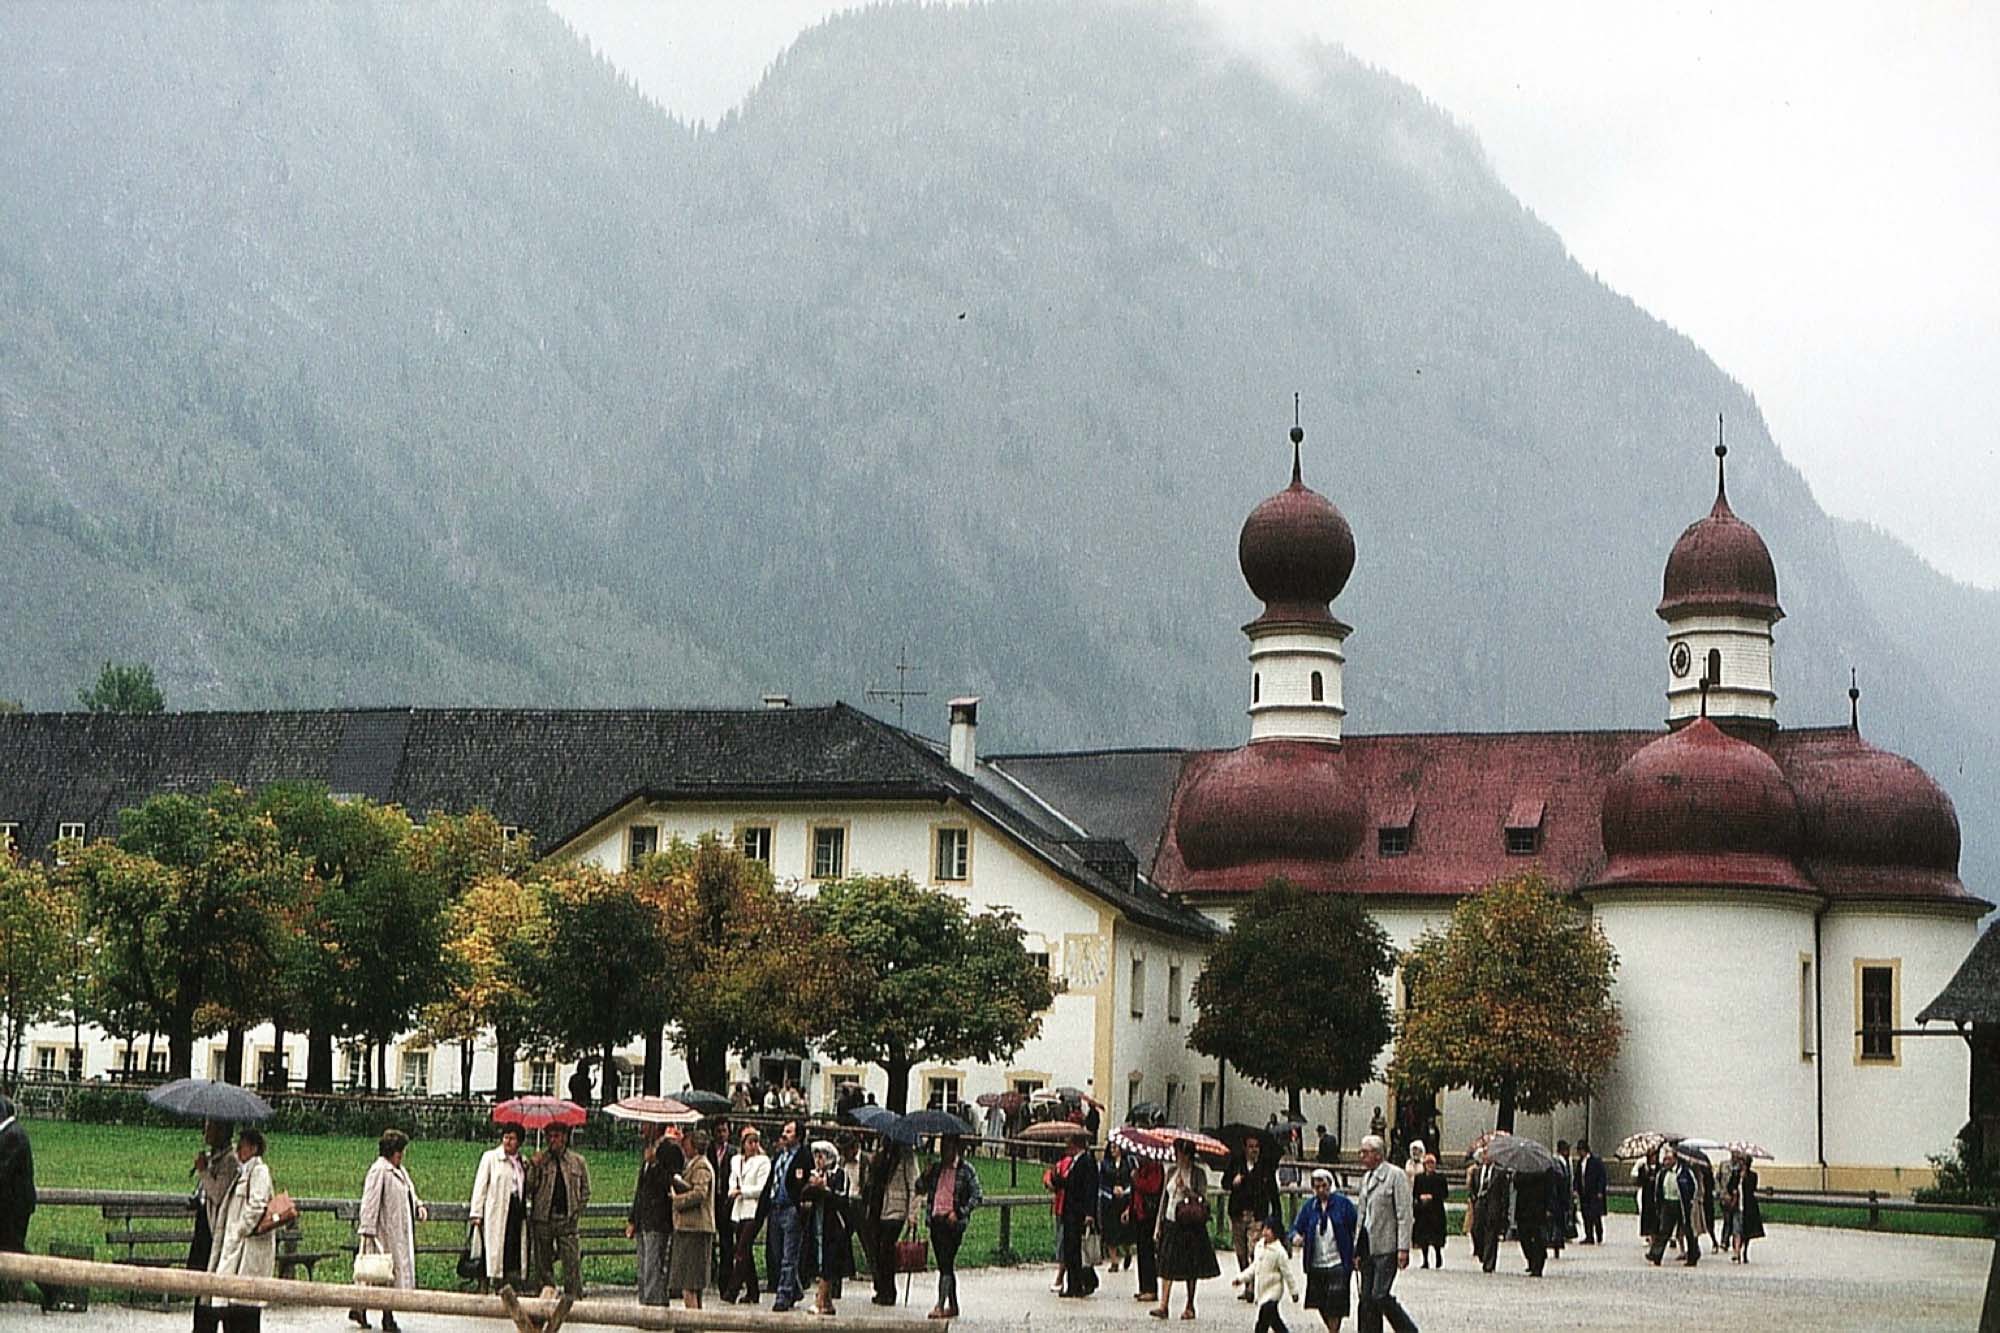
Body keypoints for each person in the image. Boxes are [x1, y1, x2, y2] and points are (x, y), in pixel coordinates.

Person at [351, 1128, 427, 1332]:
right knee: (378, 1275)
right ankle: (384, 1315)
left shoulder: (399, 1170)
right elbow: (370, 1201)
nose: (401, 1156)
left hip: (397, 1232)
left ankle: (363, 1308)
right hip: (381, 1233)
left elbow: (410, 1190)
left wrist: (419, 1206)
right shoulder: (379, 1170)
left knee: (386, 1276)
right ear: (390, 1151)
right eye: (399, 1151)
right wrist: (367, 1229)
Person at [210, 1127, 276, 1333]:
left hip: (247, 1251)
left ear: (254, 1148)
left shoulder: (259, 1172)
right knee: (230, 1307)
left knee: (245, 1309)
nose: (239, 1148)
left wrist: (240, 1230)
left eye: (243, 1145)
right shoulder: (242, 1171)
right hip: (236, 1251)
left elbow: (257, 1205)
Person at [1353, 1135, 1417, 1333]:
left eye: (1365, 1152)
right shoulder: (1366, 1178)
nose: (1361, 1156)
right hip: (1367, 1246)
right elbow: (1362, 1215)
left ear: (1378, 1155)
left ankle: (1407, 1329)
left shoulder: (1395, 1176)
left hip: (1387, 1245)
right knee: (1366, 1299)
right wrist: (1356, 1247)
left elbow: (1404, 1214)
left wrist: (1403, 1248)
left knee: (1380, 1294)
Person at [1151, 1136, 1218, 1320]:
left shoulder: (1198, 1174)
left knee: (1190, 1266)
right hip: (1171, 1220)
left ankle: (1189, 1304)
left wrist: (1187, 1190)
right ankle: (1164, 1304)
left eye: (1180, 1152)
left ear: (1188, 1154)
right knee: (1166, 1264)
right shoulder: (1171, 1171)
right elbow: (1164, 1200)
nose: (1178, 1156)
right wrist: (1158, 1224)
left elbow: (1203, 1198)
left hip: (1190, 1224)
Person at [916, 1133, 982, 1320]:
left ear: (956, 1148)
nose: (944, 1151)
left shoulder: (966, 1170)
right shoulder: (936, 1169)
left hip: (952, 1223)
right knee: (945, 1265)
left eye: (948, 1147)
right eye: (942, 1146)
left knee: (946, 1263)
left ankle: (940, 1304)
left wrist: (960, 1212)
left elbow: (977, 1196)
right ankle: (953, 1304)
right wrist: (925, 1174)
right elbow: (919, 1188)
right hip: (936, 1220)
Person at [526, 1122, 591, 1297]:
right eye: (549, 1136)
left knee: (571, 1262)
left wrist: (576, 1211)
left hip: (567, 1219)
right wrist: (533, 1167)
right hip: (543, 1218)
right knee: (543, 1262)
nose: (552, 1140)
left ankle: (574, 1298)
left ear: (564, 1137)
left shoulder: (577, 1162)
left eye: (556, 1136)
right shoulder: (541, 1161)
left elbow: (585, 1190)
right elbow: (528, 1189)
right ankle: (546, 1295)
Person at [1288, 1168, 1356, 1333]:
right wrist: (1296, 1236)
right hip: (1317, 1261)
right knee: (1320, 1302)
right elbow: (1295, 1228)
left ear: (1330, 1185)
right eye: (1316, 1187)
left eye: (1323, 1186)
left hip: (1338, 1260)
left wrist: (1356, 1253)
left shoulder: (1343, 1204)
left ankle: (1334, 1331)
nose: (1320, 1190)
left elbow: (1356, 1227)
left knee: (1335, 1303)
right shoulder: (1309, 1207)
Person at [468, 1123, 527, 1295]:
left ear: (519, 1142)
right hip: (496, 1210)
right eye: (506, 1137)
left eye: (512, 1138)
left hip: (514, 1209)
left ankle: (508, 1285)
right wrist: (476, 1212)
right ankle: (487, 1283)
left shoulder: (521, 1162)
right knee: (491, 1249)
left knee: (511, 1248)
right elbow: (480, 1185)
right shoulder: (491, 1158)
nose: (508, 1141)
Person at [189, 1117, 237, 1328]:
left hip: (214, 1231)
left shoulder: (229, 1161)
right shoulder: (213, 1158)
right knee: (199, 1286)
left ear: (222, 1131)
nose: (205, 1132)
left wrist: (203, 1170)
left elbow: (217, 1193)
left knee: (211, 1286)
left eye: (210, 1127)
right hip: (202, 1228)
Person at [626, 1123, 678, 1306]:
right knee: (643, 1267)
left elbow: (671, 1183)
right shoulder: (647, 1150)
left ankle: (655, 1306)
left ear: (655, 1126)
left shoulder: (669, 1150)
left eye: (646, 1125)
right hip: (643, 1219)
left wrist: (655, 1164)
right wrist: (633, 1219)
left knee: (654, 1267)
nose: (642, 1128)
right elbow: (640, 1190)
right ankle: (645, 1303)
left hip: (659, 1219)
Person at [799, 1140, 852, 1315]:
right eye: (816, 1156)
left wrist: (825, 1189)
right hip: (816, 1223)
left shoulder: (840, 1175)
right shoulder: (814, 1175)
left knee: (828, 1262)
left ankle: (820, 1299)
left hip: (834, 1225)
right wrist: (813, 1186)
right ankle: (827, 1303)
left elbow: (841, 1200)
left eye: (821, 1156)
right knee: (819, 1259)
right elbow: (804, 1194)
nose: (818, 1160)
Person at [866, 1136, 918, 1306]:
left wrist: (912, 1214)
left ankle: (890, 1291)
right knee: (877, 1249)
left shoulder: (906, 1155)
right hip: (879, 1208)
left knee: (886, 1249)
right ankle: (882, 1288)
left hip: (897, 1208)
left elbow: (914, 1185)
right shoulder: (882, 1156)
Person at [1227, 1135, 1280, 1301]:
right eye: (1250, 1146)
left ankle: (1253, 1286)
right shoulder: (1236, 1164)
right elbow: (1224, 1182)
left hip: (1257, 1214)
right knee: (1241, 1251)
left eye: (1256, 1146)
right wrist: (1233, 1182)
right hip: (1237, 1213)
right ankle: (1246, 1282)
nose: (1254, 1150)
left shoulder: (1265, 1168)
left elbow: (1273, 1192)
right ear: (1245, 1148)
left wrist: (1276, 1215)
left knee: (1253, 1250)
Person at [722, 1126, 770, 1303]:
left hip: (753, 1209)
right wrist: (733, 1191)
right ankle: (753, 1290)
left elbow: (761, 1188)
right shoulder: (736, 1160)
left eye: (756, 1142)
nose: (753, 1146)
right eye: (750, 1142)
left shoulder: (763, 1162)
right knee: (745, 1250)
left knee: (742, 1249)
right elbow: (732, 1179)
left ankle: (732, 1290)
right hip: (738, 1209)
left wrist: (743, 1191)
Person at [670, 1128, 716, 1307]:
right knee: (689, 1283)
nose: (684, 1147)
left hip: (695, 1228)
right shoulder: (691, 1165)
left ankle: (692, 1321)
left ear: (695, 1147)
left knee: (690, 1283)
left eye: (687, 1143)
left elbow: (699, 1193)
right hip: (688, 1227)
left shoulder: (701, 1166)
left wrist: (677, 1200)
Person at [1231, 1216, 1301, 1333]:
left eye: (1269, 1229)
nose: (1266, 1232)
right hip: (1262, 1290)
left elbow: (1287, 1274)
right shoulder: (1259, 1247)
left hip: (1273, 1291)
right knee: (1275, 1321)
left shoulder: (1279, 1252)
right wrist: (1241, 1278)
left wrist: (1293, 1291)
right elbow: (1254, 1267)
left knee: (1263, 1320)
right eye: (1264, 1229)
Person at [767, 1120, 808, 1311]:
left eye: (789, 1131)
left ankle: (783, 1295)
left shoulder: (803, 1156)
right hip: (775, 1207)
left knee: (788, 1256)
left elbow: (804, 1182)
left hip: (791, 1208)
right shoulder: (779, 1156)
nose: (785, 1134)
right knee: (777, 1253)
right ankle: (795, 1289)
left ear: (798, 1136)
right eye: (784, 1130)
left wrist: (801, 1205)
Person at [1058, 1131, 1099, 1298]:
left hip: (1078, 1213)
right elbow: (1070, 1184)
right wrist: (1057, 1180)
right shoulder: (1075, 1162)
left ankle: (1078, 1284)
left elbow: (1090, 1188)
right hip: (1070, 1212)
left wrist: (1090, 1213)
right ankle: (1075, 1283)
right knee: (1071, 1250)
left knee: (1077, 1250)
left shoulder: (1087, 1162)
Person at [1129, 1142, 1164, 1304]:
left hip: (1149, 1214)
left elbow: (1152, 1187)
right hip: (1139, 1213)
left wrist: (1137, 1180)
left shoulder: (1155, 1167)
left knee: (1148, 1252)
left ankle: (1151, 1288)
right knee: (1141, 1252)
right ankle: (1143, 1286)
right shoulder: (1141, 1168)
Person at [1099, 1140, 1135, 1272]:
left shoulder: (1128, 1163)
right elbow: (1102, 1182)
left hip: (1125, 1200)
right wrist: (1111, 1190)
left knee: (1125, 1230)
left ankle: (1127, 1251)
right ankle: (1114, 1261)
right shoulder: (1105, 1164)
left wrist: (1124, 1190)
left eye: (1116, 1147)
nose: (1113, 1150)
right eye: (1111, 1147)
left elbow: (1132, 1181)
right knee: (1110, 1231)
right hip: (1110, 1201)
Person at [1723, 1152, 1764, 1263]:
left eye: (1743, 1162)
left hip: (1748, 1207)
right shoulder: (1735, 1174)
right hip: (1736, 1206)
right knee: (1736, 1230)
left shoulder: (1753, 1176)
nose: (1740, 1164)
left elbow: (1751, 1189)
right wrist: (1734, 1190)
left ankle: (1744, 1251)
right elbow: (1729, 1186)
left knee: (1746, 1232)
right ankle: (1736, 1252)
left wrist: (1744, 1179)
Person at [1409, 1154, 1446, 1269]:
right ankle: (1425, 1260)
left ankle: (1438, 1255)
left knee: (1435, 1236)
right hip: (1423, 1211)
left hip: (1436, 1211)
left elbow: (1445, 1194)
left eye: (1432, 1163)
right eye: (1428, 1163)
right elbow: (1415, 1192)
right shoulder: (1420, 1178)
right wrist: (1420, 1198)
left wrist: (1433, 1196)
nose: (1430, 1166)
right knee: (1423, 1236)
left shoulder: (1440, 1178)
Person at [1511, 1166, 1548, 1278]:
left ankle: (1538, 1265)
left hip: (1537, 1210)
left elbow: (1548, 1189)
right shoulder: (1521, 1170)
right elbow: (1516, 1184)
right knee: (1524, 1239)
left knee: (1538, 1239)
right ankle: (1532, 1260)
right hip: (1523, 1210)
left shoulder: (1543, 1171)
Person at [1575, 1141, 1606, 1245]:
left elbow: (1602, 1176)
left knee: (1595, 1215)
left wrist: (1600, 1190)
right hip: (1584, 1193)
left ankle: (1599, 1234)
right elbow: (1578, 1177)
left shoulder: (1595, 1161)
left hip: (1594, 1192)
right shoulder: (1580, 1163)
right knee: (1585, 1215)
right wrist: (1576, 1189)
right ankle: (1589, 1236)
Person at [1547, 1144, 1573, 1261]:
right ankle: (1556, 1243)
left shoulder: (1567, 1162)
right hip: (1557, 1199)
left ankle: (1558, 1242)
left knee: (1560, 1222)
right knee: (1557, 1222)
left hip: (1562, 1199)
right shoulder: (1556, 1163)